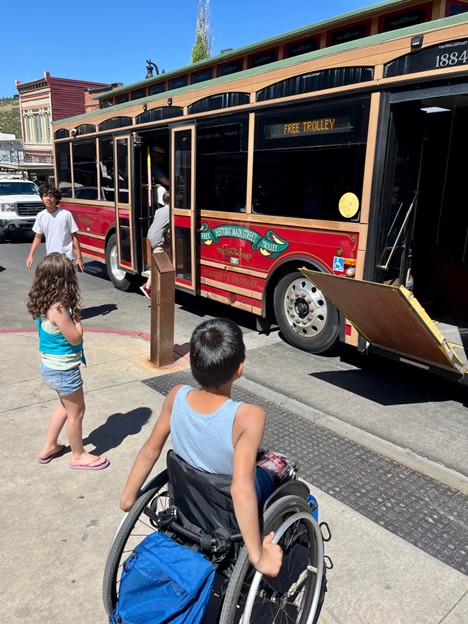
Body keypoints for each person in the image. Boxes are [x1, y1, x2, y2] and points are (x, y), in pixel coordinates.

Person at [120, 318, 282, 577]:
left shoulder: (176, 395)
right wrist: (259, 557)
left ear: (193, 364)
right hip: (227, 505)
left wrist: (129, 497)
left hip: (189, 498)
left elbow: (151, 448)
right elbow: (241, 487)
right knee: (276, 467)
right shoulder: (249, 417)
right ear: (239, 368)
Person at [27, 253, 109, 470]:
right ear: (64, 280)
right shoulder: (59, 308)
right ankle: (78, 455)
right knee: (77, 412)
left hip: (50, 368)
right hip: (64, 371)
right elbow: (75, 338)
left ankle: (50, 446)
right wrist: (78, 320)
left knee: (64, 407)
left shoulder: (42, 304)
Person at [26, 185, 85, 271]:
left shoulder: (66, 214)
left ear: (57, 199)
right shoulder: (40, 216)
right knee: (53, 283)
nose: (48, 199)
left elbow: (74, 236)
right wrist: (30, 256)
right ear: (42, 198)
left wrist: (79, 257)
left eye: (51, 196)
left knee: (66, 283)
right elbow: (37, 237)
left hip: (66, 257)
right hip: (51, 258)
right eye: (45, 196)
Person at [140, 191, 170, 299]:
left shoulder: (158, 211)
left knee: (166, 251)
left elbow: (162, 225)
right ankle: (147, 287)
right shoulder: (170, 212)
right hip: (158, 240)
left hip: (151, 236)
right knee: (158, 265)